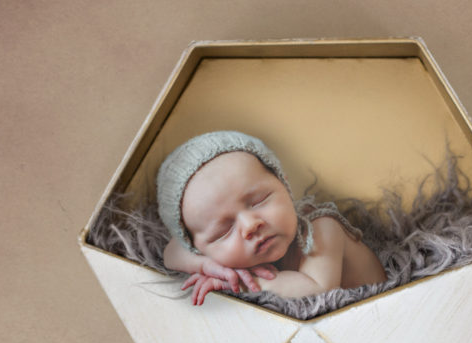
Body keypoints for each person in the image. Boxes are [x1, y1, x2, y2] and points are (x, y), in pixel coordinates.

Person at [157, 130, 386, 305]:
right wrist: (207, 266)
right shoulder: (202, 249)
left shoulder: (322, 227)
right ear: (197, 247)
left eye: (259, 201)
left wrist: (236, 283)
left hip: (379, 311)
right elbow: (171, 252)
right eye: (223, 231)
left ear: (284, 185)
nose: (250, 225)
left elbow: (318, 290)